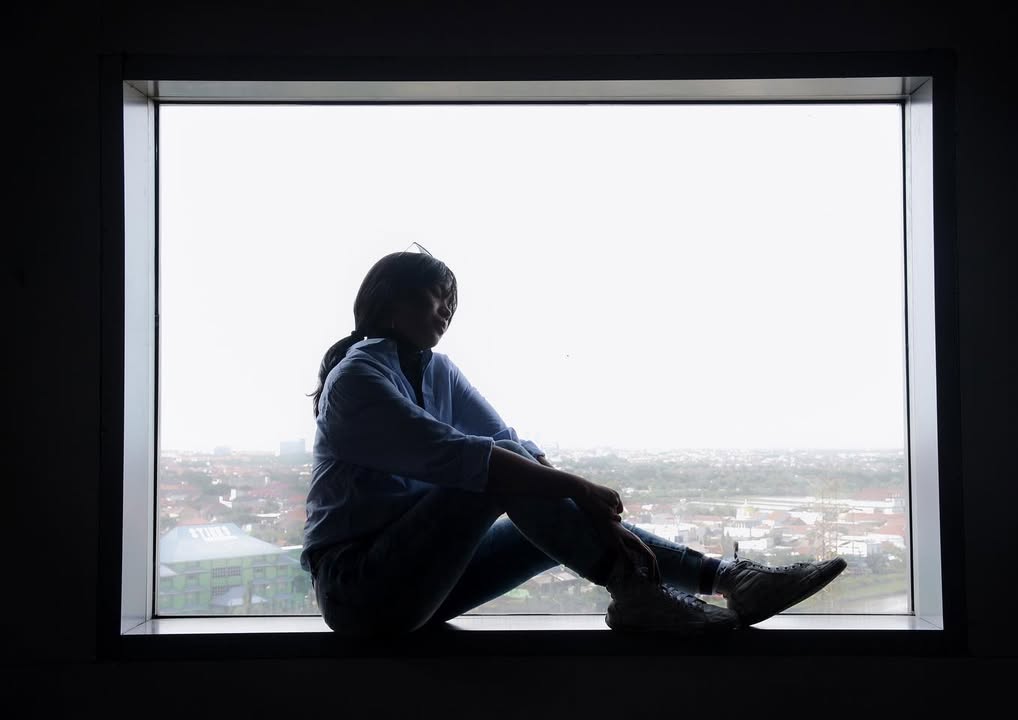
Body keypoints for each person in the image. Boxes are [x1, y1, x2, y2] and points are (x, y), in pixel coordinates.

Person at [301, 247, 846, 638]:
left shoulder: (437, 370)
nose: (446, 310)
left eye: (452, 302)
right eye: (435, 296)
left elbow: (509, 442)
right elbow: (470, 460)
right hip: (358, 590)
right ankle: (642, 593)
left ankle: (727, 578)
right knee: (503, 472)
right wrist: (577, 489)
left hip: (423, 584)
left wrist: (589, 512)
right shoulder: (358, 377)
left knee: (526, 511)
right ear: (390, 299)